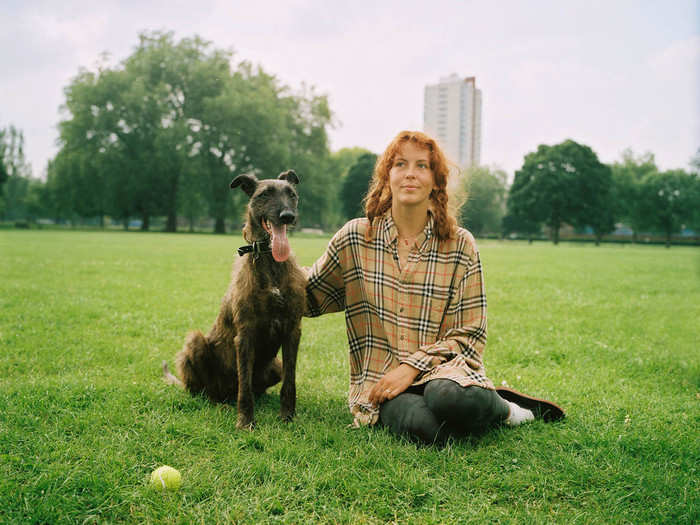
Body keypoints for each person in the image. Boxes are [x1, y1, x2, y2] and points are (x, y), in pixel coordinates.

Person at [305, 131, 564, 444]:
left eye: (422, 166)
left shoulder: (460, 245)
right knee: (430, 430)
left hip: (445, 374)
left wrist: (411, 367)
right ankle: (482, 404)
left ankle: (508, 410)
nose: (410, 173)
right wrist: (268, 255)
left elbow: (469, 335)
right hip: (382, 383)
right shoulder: (355, 238)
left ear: (436, 180)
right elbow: (309, 293)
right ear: (387, 176)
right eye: (400, 164)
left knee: (450, 399)